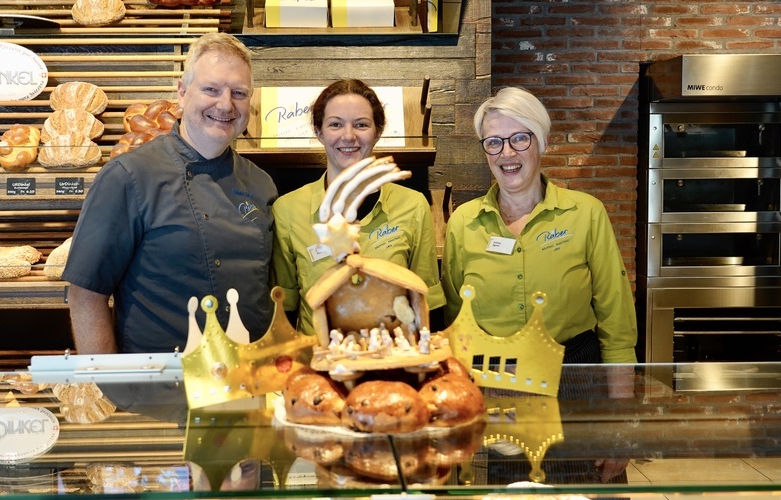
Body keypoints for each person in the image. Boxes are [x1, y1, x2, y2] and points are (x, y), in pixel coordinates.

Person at [442, 86, 636, 484]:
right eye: (494, 142)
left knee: (583, 489)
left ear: (541, 141)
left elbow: (617, 327)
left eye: (519, 138)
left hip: (576, 382)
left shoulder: (585, 214)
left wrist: (620, 426)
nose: (507, 153)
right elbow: (454, 324)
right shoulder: (463, 222)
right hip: (497, 390)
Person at [62, 33, 277, 354]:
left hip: (248, 381)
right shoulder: (128, 176)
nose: (225, 104)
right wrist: (104, 386)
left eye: (239, 93)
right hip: (159, 387)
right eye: (211, 89)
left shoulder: (260, 184)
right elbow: (85, 294)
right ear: (182, 92)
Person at [270, 79, 444, 335]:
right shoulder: (288, 210)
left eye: (361, 124)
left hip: (393, 360)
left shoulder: (413, 206)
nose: (348, 136)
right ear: (319, 132)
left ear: (378, 131)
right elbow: (286, 310)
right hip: (321, 362)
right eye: (335, 124)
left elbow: (427, 300)